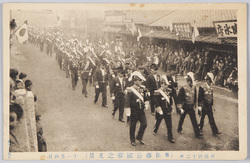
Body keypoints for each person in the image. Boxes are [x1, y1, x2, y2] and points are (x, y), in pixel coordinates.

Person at [125, 71, 150, 146]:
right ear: (135, 81)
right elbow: (127, 102)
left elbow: (146, 98)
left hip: (141, 110)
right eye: (139, 80)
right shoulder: (130, 90)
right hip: (133, 111)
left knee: (144, 124)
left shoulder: (142, 89)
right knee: (133, 126)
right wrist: (128, 113)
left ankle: (139, 137)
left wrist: (146, 105)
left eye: (141, 80)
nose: (140, 82)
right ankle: (132, 140)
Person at [177, 72, 203, 138]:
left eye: (190, 81)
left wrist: (194, 104)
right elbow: (179, 98)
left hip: (191, 106)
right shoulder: (183, 88)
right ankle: (179, 128)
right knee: (182, 118)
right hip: (185, 106)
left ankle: (197, 133)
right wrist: (180, 108)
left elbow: (194, 97)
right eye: (188, 81)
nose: (189, 83)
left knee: (194, 120)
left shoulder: (194, 88)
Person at [152, 75, 175, 143]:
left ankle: (170, 137)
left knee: (169, 124)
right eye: (165, 84)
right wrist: (159, 109)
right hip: (161, 111)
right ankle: (155, 129)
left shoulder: (168, 91)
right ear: (161, 84)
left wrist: (171, 107)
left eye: (167, 85)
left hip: (167, 110)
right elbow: (156, 102)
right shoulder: (158, 92)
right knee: (158, 121)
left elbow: (170, 100)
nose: (166, 86)